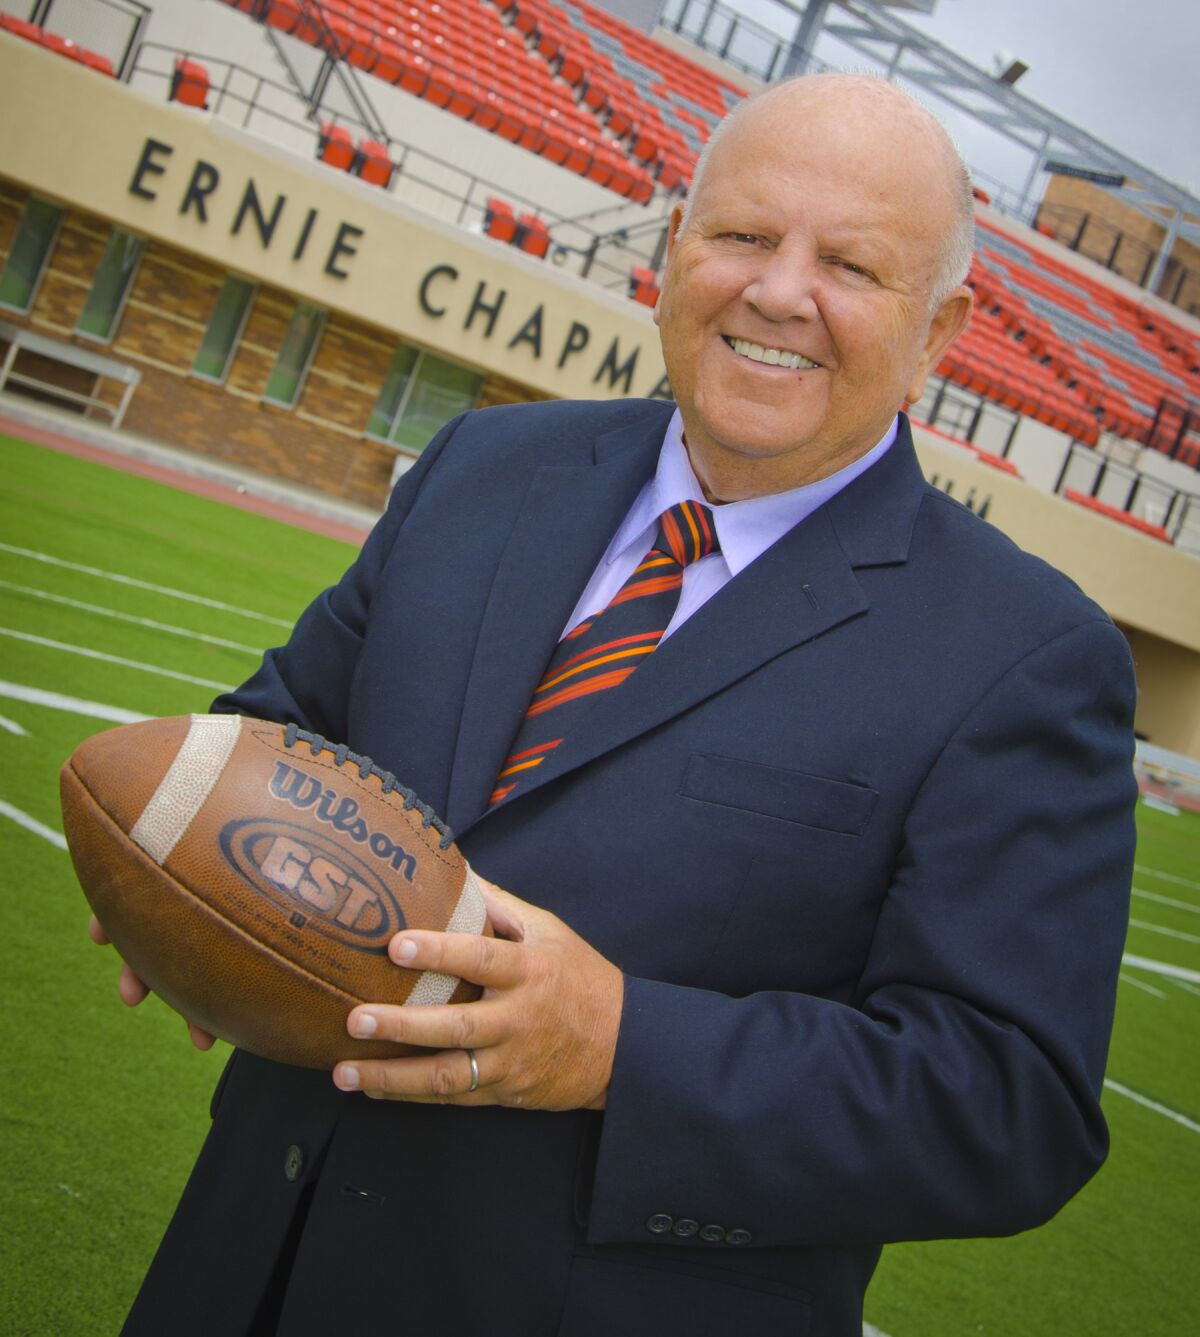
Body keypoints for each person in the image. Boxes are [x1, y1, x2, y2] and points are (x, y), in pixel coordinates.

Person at [95, 74, 1137, 1336]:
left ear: (940, 329)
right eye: (743, 235)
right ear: (672, 250)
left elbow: (1006, 1103)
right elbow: (279, 721)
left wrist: (623, 1048)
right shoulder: (485, 465)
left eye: (851, 263)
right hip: (249, 1262)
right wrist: (192, 889)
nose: (777, 292)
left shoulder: (1026, 653)